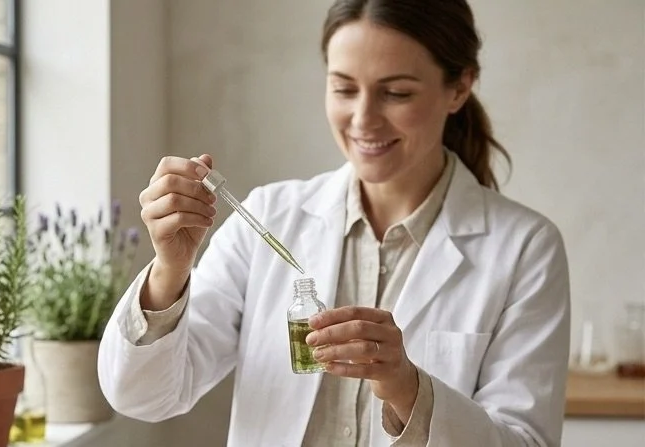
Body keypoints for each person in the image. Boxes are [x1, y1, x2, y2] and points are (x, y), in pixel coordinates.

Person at [96, 1, 570, 446]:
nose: (363, 119)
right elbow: (143, 396)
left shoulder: (525, 248)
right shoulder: (268, 218)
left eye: (396, 93)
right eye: (344, 88)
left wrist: (408, 388)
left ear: (459, 88)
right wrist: (170, 271)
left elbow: (525, 439)